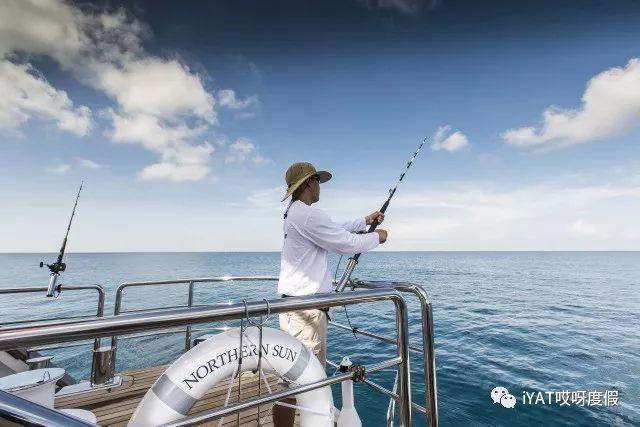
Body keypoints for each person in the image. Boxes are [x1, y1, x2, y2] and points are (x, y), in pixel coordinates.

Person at [273, 161, 387, 426]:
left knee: (291, 379)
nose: (320, 186)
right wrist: (377, 236)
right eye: (317, 181)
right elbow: (344, 242)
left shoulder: (297, 213)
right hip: (305, 312)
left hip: (294, 308)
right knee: (306, 381)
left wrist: (364, 221)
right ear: (308, 183)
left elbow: (333, 227)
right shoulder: (308, 215)